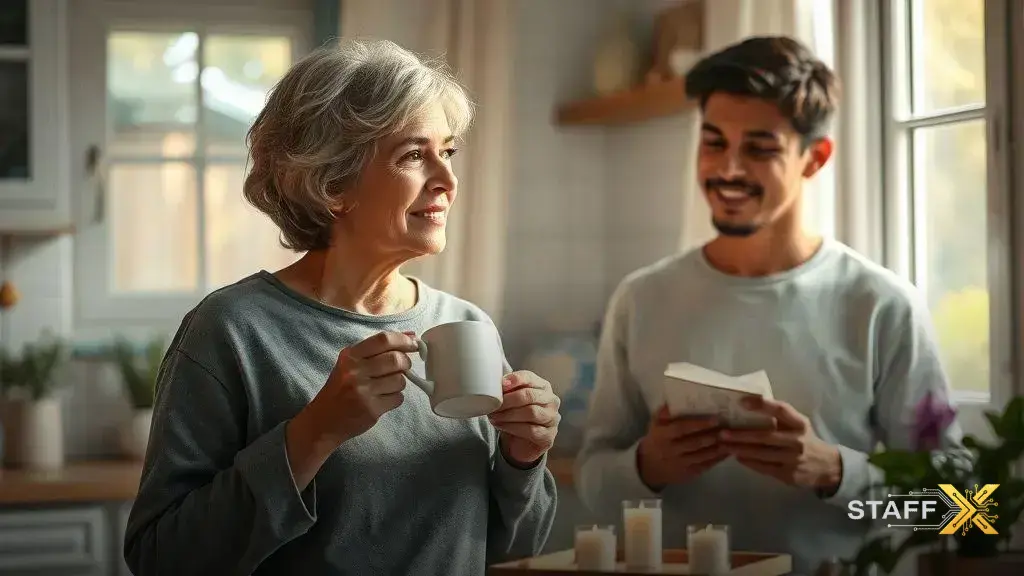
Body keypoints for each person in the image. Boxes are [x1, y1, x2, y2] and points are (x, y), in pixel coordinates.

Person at [124, 39, 560, 576]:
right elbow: (160, 559)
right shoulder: (232, 331)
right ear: (333, 183)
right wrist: (315, 433)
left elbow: (513, 549)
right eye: (413, 155)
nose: (447, 181)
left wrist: (524, 457)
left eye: (447, 152)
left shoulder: (466, 325)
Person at [574, 36, 964, 574]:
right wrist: (647, 466)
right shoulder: (642, 299)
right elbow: (592, 484)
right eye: (713, 142)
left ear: (815, 158)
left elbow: (963, 512)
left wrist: (835, 472)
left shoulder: (881, 305)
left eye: (760, 148)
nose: (728, 169)